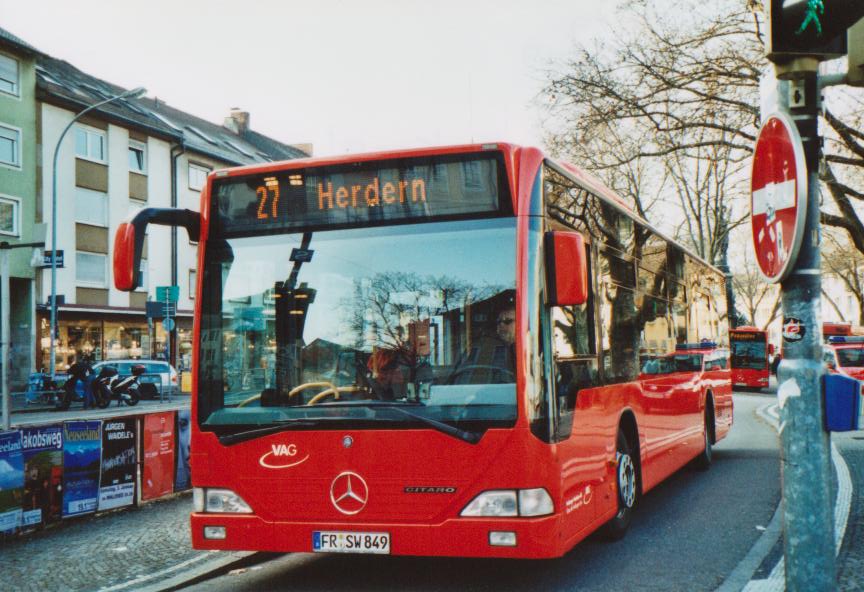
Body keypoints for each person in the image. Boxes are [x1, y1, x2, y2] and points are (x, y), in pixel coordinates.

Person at [449, 304, 516, 384]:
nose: (501, 325)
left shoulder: (527, 349)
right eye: (498, 322)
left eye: (507, 321)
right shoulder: (482, 347)